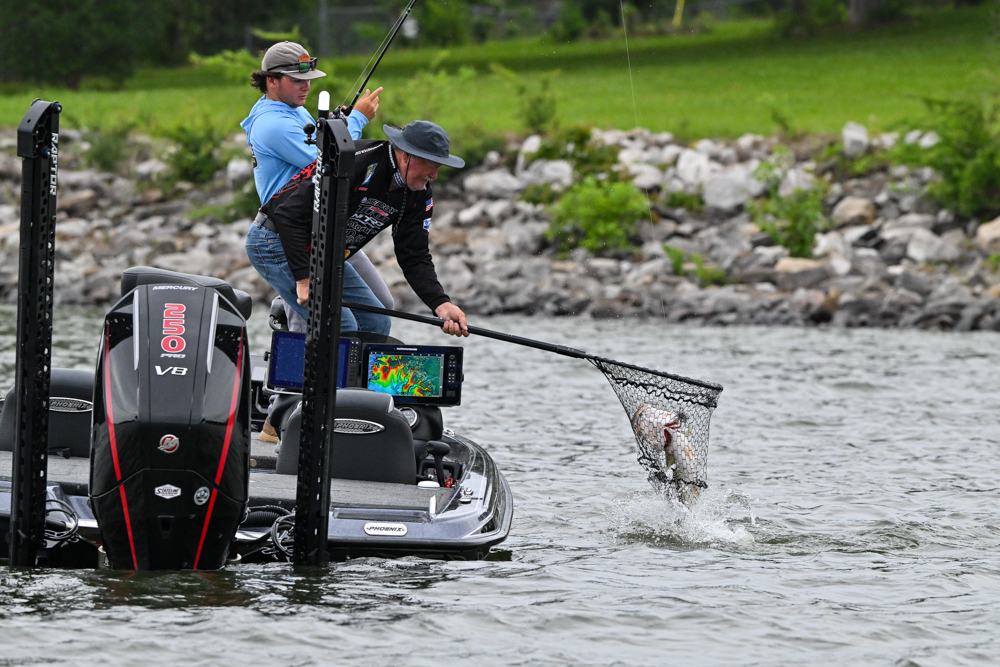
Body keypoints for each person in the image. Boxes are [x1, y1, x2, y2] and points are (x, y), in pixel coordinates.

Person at [257, 120, 470, 338]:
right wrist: (303, 280)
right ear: (407, 156)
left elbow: (414, 255)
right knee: (341, 324)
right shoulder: (356, 162)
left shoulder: (418, 193)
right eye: (431, 166)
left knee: (376, 321)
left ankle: (351, 363)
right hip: (273, 239)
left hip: (324, 251)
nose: (434, 175)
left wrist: (440, 303)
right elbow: (288, 215)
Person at [242, 41, 393, 328]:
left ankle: (350, 357)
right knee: (330, 326)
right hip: (289, 233)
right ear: (271, 81)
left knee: (381, 311)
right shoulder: (273, 124)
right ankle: (293, 312)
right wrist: (357, 120)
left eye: (309, 79)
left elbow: (324, 146)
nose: (306, 87)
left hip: (322, 227)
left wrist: (338, 124)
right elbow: (330, 163)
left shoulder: (292, 109)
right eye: (297, 80)